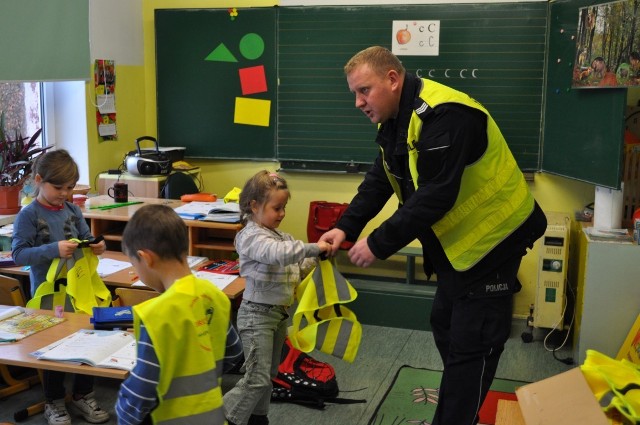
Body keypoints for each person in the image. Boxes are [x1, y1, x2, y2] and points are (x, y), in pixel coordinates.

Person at [318, 46, 547, 425]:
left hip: (496, 242)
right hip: (460, 249)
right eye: (354, 94)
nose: (358, 102)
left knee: (470, 348)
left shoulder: (445, 114)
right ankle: (465, 400)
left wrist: (377, 244)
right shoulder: (394, 118)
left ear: (393, 79)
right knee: (445, 324)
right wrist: (346, 226)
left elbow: (436, 194)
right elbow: (382, 178)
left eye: (364, 90)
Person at [115, 204, 243, 424]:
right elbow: (234, 353)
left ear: (146, 258)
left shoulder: (155, 314)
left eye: (134, 266)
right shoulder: (216, 297)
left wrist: (123, 414)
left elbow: (142, 388)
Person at [223, 170, 331, 425]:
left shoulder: (282, 237)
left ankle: (258, 419)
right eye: (276, 208)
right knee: (256, 378)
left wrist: (318, 256)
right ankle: (223, 416)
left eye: (284, 207)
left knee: (269, 374)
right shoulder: (250, 236)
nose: (282, 213)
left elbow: (295, 267)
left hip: (278, 314)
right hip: (256, 316)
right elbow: (278, 255)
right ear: (254, 205)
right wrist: (314, 246)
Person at [11, 149, 110, 425]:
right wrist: (54, 249)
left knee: (85, 340)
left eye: (69, 187)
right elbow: (19, 254)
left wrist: (98, 245)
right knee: (53, 348)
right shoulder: (29, 214)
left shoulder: (72, 210)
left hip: (78, 291)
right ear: (40, 180)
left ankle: (83, 394)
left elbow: (88, 238)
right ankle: (53, 402)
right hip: (47, 294)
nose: (65, 193)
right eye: (58, 187)